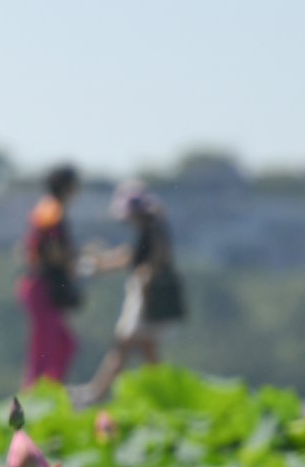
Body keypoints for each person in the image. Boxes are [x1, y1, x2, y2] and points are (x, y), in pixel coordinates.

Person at [73, 183, 184, 404]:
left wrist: (101, 264)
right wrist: (101, 262)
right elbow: (131, 257)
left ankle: (97, 392)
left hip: (145, 294)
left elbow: (147, 264)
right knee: (146, 350)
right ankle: (160, 397)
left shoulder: (153, 230)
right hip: (144, 293)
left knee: (124, 344)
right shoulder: (152, 228)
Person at [18, 165, 82, 386]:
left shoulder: (47, 209)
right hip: (41, 286)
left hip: (42, 285)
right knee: (44, 349)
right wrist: (76, 259)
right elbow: (53, 251)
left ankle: (51, 389)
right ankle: (34, 396)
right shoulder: (53, 211)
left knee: (64, 343)